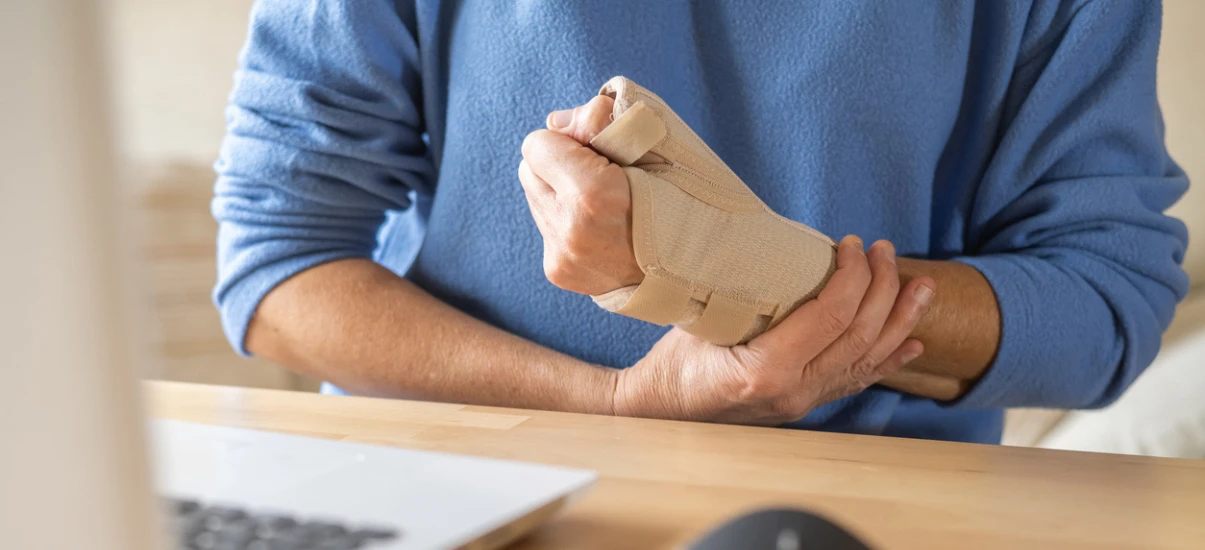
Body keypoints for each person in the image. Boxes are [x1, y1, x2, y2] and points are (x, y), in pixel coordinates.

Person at [213, 1, 1188, 443]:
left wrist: (731, 270)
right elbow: (275, 266)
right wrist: (616, 404)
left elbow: (1104, 302)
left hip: (852, 513)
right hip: (458, 491)